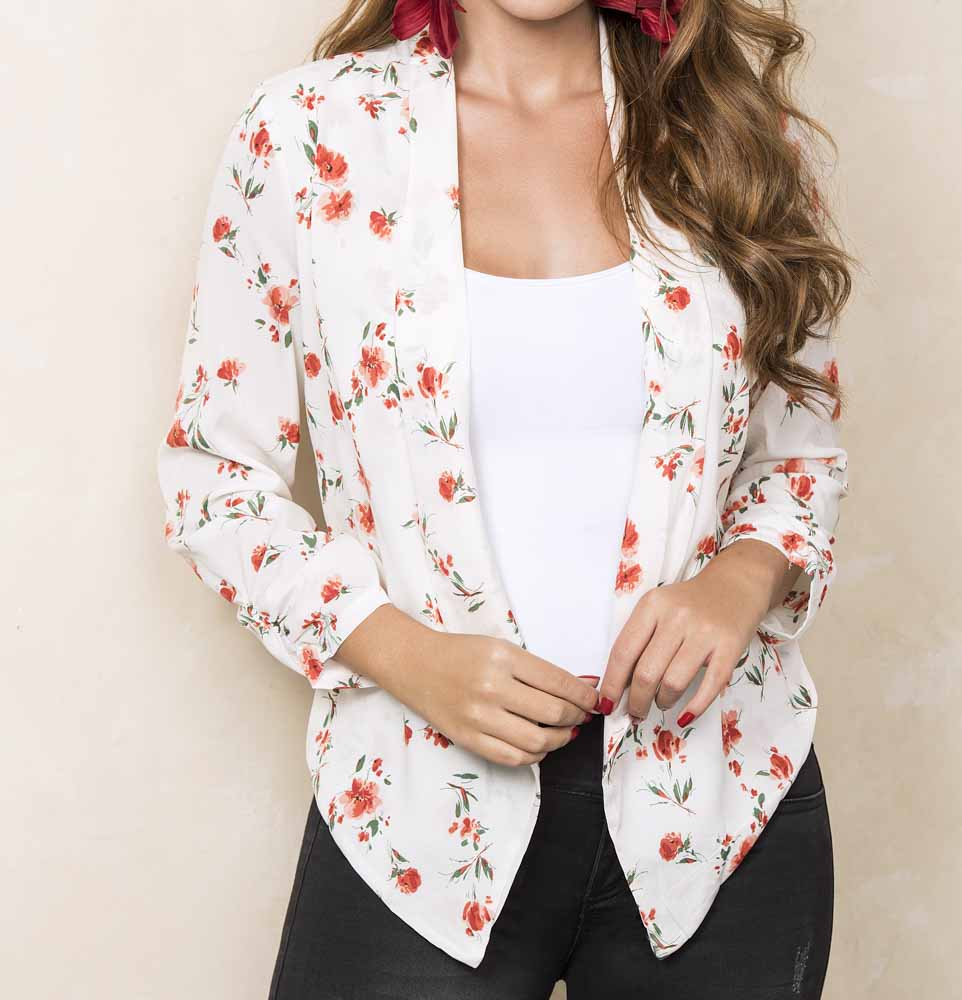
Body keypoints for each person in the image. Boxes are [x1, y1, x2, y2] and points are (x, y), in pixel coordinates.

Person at [156, 1, 852, 996]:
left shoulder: (734, 136)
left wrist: (737, 582)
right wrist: (406, 655)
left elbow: (799, 457)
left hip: (717, 809)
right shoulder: (307, 135)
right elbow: (214, 480)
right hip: (415, 814)